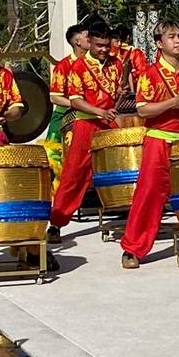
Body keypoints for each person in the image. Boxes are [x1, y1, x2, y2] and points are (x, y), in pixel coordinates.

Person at [120, 19, 179, 269]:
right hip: (159, 141)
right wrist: (172, 103)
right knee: (148, 195)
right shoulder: (150, 74)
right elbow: (144, 110)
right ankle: (133, 248)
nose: (178, 40)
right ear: (159, 43)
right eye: (171, 37)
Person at [48, 22, 123, 240]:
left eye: (107, 46)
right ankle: (57, 222)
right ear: (88, 42)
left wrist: (120, 93)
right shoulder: (76, 67)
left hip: (108, 123)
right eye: (99, 45)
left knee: (123, 167)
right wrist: (99, 111)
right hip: (85, 123)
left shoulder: (115, 63)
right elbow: (75, 101)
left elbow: (117, 93)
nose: (104, 50)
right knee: (73, 175)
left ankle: (124, 210)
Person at [47, 24, 89, 145]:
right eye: (87, 36)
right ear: (77, 41)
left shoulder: (95, 64)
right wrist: (78, 104)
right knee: (54, 155)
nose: (91, 39)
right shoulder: (63, 66)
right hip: (64, 115)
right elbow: (54, 97)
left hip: (91, 115)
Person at [110, 24, 149, 92]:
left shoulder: (108, 50)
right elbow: (142, 71)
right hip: (128, 86)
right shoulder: (134, 51)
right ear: (128, 37)